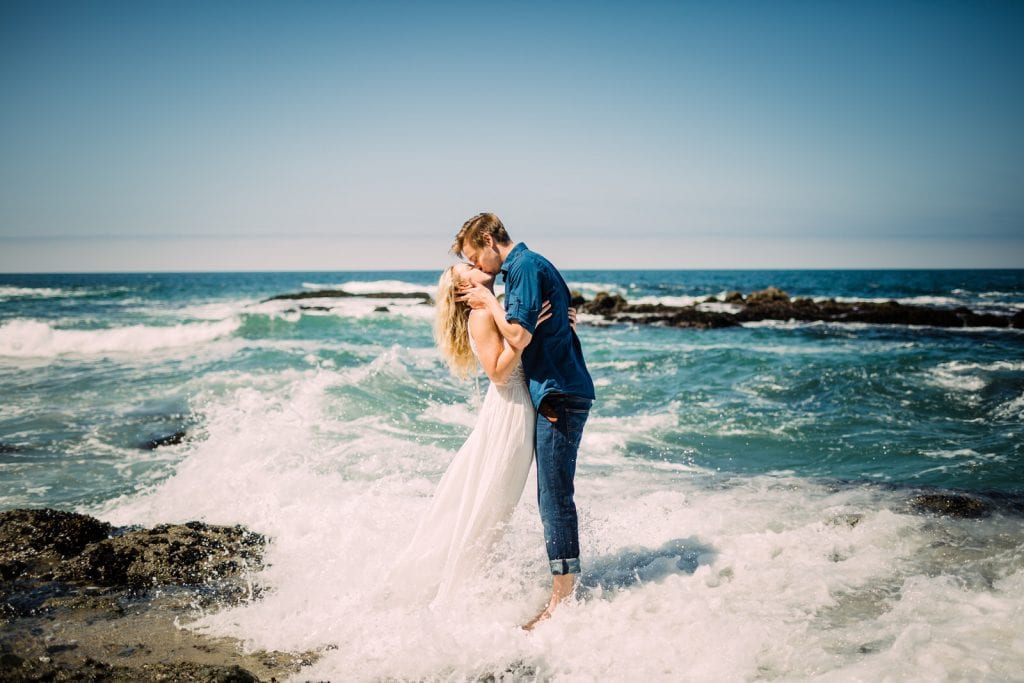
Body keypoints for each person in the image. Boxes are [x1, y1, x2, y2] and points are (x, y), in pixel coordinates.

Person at [454, 212, 595, 630]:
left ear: (487, 239)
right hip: (556, 390)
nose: (478, 266)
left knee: (554, 496)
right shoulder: (526, 268)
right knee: (550, 495)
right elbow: (542, 327)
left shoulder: (524, 267)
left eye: (475, 256)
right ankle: (564, 590)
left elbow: (518, 337)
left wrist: (490, 303)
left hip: (557, 394)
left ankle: (562, 603)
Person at [391, 261, 556, 605]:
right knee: (490, 505)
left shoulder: (492, 308)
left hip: (515, 410)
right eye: (466, 265)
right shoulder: (481, 316)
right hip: (509, 413)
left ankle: (471, 585)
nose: (477, 263)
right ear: (462, 286)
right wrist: (524, 338)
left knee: (492, 503)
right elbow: (498, 373)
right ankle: (460, 592)